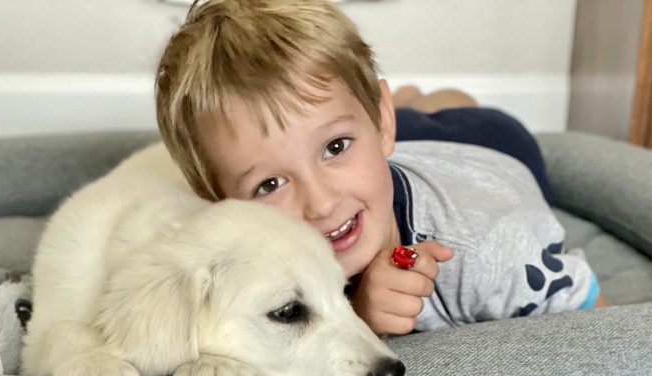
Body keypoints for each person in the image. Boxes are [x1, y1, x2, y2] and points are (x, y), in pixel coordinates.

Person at [155, 0, 604, 336]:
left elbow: (594, 316)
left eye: (334, 147)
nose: (321, 203)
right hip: (393, 150)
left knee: (450, 110)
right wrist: (360, 317)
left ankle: (420, 104)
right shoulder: (239, 261)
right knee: (371, 127)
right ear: (217, 203)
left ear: (379, 122)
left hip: (486, 148)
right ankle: (390, 115)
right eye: (269, 183)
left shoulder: (488, 249)